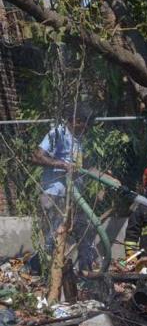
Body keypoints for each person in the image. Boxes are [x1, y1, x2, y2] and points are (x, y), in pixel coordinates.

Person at [31, 106, 97, 272]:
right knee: (52, 236)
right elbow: (36, 156)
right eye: (86, 125)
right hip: (55, 193)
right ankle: (40, 270)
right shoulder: (58, 133)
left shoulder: (78, 139)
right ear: (76, 121)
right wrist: (61, 164)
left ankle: (85, 270)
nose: (88, 129)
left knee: (83, 229)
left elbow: (79, 165)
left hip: (74, 196)